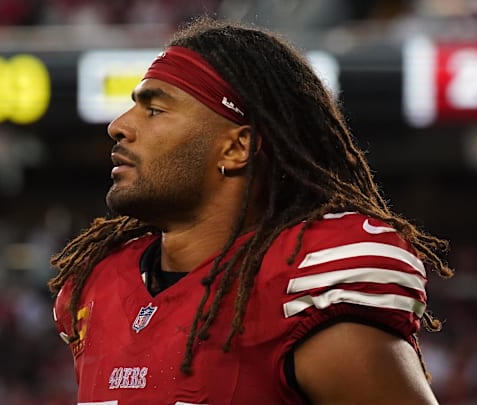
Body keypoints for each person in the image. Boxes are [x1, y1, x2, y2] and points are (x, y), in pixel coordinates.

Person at [48, 16, 453, 404]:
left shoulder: (304, 285)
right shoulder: (98, 289)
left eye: (155, 109)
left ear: (236, 147)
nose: (119, 125)